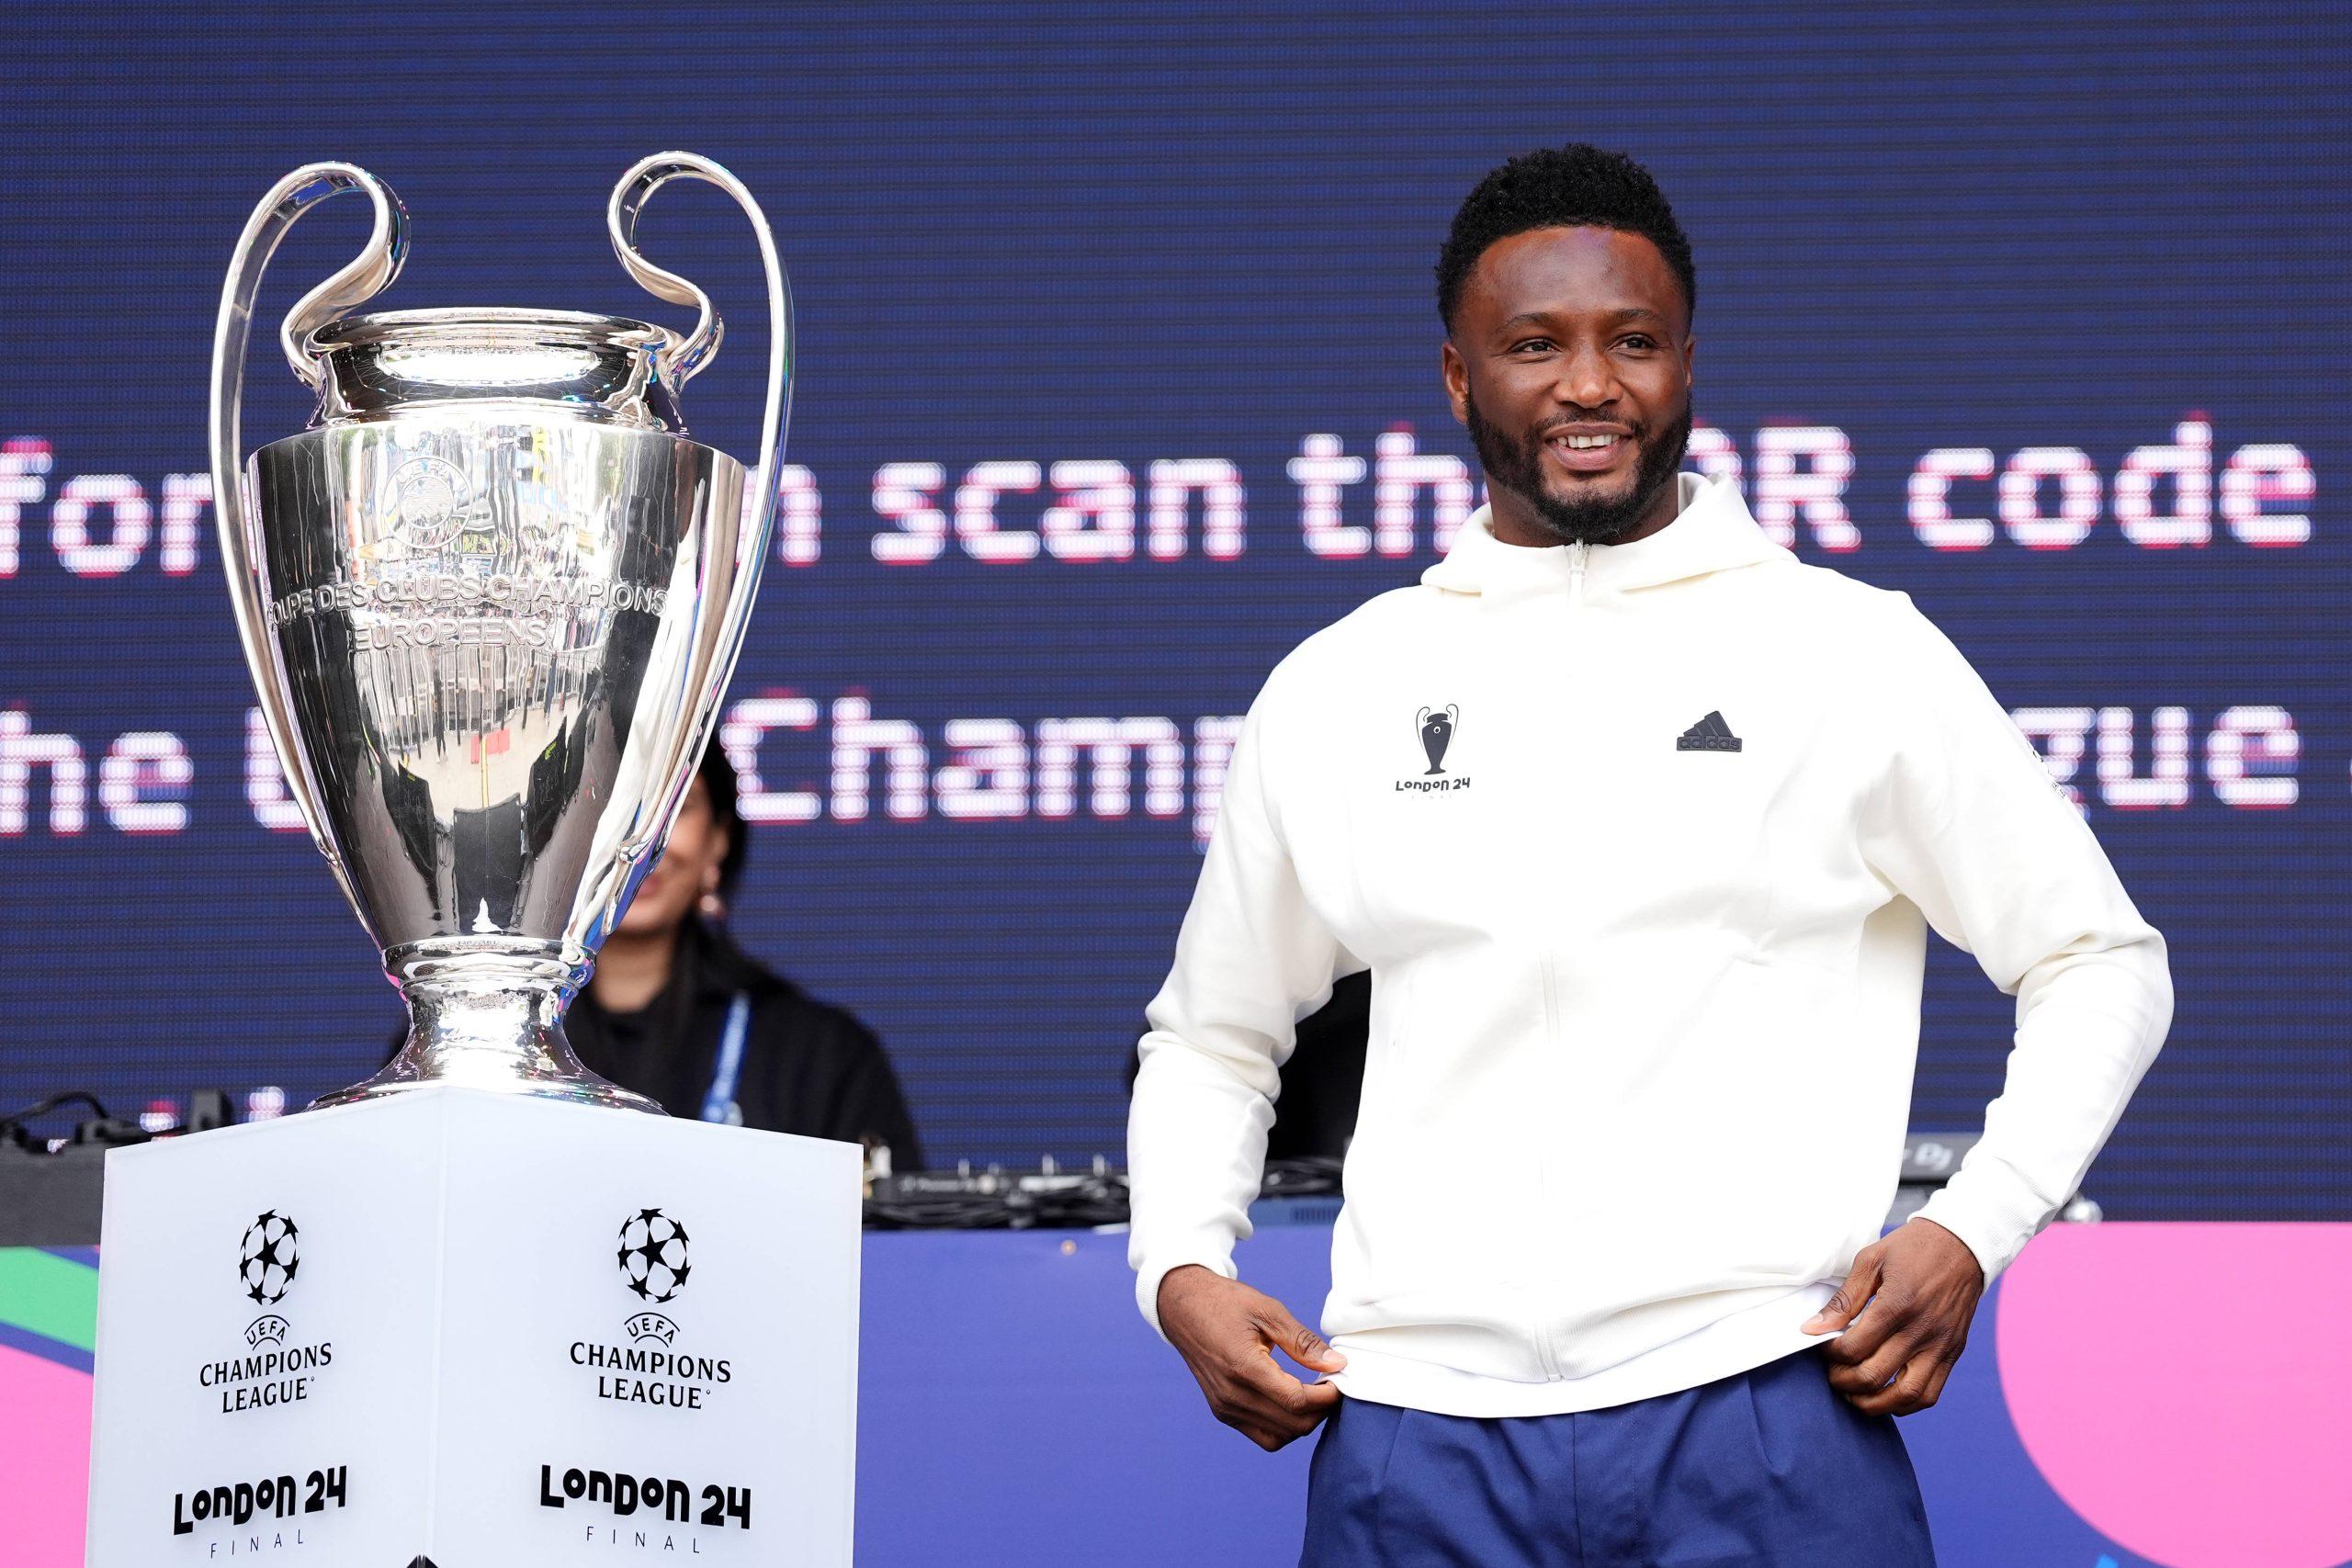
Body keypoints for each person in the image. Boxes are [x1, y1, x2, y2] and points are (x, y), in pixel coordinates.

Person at [1126, 144, 2170, 1565]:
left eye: (1634, 342)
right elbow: (1214, 1033)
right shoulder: (1342, 683)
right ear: (1455, 377)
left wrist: (1973, 1226)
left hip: (1763, 1402)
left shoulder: (1845, 648)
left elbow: (2098, 958)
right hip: (1415, 1433)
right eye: (1534, 345)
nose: (1590, 385)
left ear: (1688, 362)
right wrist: (1180, 1257)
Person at [406, 745, 923, 1165]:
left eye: (674, 808)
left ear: (718, 844)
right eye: (606, 803)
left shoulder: (820, 1059)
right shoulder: (462, 1043)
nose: (639, 843)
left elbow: (888, 1268)